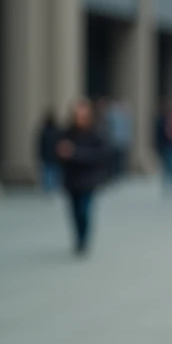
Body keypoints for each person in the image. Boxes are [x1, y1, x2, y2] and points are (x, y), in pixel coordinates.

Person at [57, 98, 113, 257]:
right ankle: (78, 238)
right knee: (74, 212)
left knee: (84, 210)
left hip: (89, 179)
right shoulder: (67, 133)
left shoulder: (96, 133)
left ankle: (84, 239)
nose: (79, 118)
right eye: (77, 115)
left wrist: (74, 153)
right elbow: (57, 153)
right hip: (72, 180)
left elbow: (101, 155)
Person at [37, 110, 62, 192]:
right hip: (52, 156)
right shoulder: (55, 131)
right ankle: (51, 189)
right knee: (51, 173)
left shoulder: (46, 131)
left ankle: (50, 189)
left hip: (50, 156)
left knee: (50, 173)